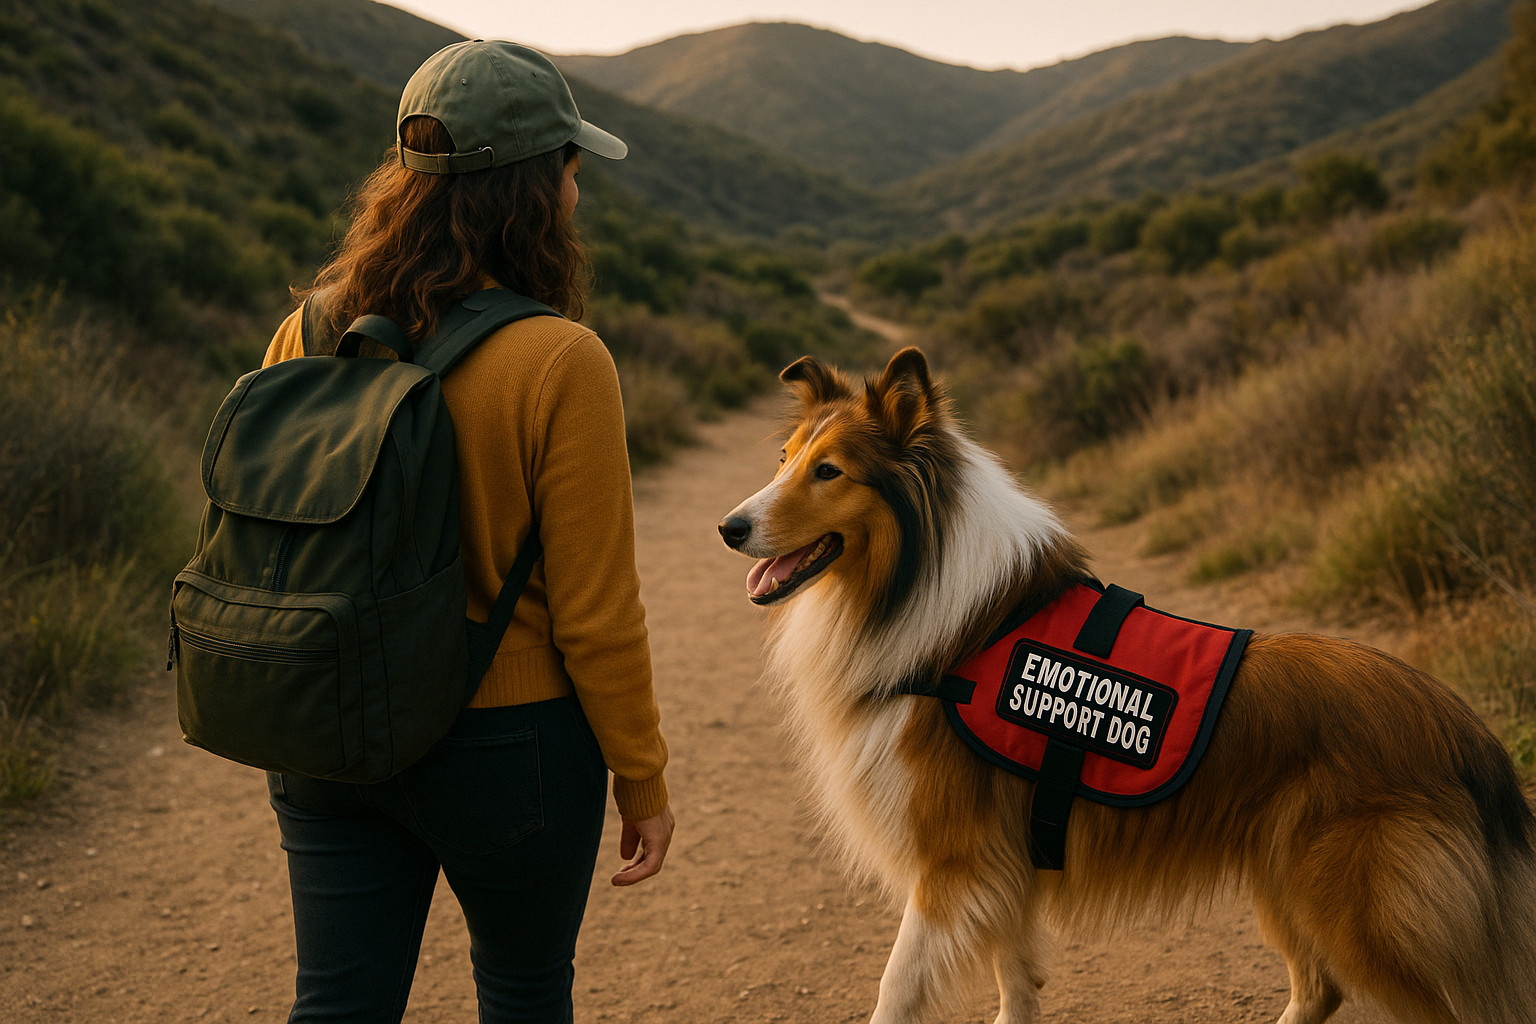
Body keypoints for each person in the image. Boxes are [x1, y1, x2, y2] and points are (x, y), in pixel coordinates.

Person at [257, 39, 674, 1023]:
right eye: (571, 170)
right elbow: (597, 616)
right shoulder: (561, 360)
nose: (578, 193)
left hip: (328, 731)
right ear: (538, 187)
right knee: (525, 994)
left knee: (337, 1006)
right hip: (511, 750)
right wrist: (642, 778)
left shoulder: (309, 331)